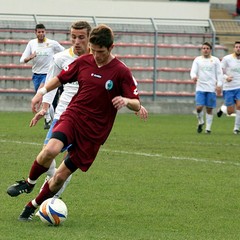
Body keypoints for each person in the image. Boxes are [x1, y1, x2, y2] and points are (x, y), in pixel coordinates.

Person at [7, 24, 148, 221]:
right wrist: (40, 94)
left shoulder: (121, 71)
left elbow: (136, 102)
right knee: (50, 150)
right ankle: (29, 183)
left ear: (111, 48)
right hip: (73, 116)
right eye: (93, 50)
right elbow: (59, 79)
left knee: (59, 179)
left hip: (94, 133)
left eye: (101, 51)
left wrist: (126, 101)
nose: (96, 56)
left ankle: (33, 206)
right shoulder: (83, 62)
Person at [7, 21, 92, 199]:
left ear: (89, 38)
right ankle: (43, 188)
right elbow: (52, 83)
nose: (77, 41)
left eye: (81, 37)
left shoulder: (98, 60)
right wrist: (45, 108)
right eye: (73, 37)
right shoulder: (61, 58)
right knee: (47, 154)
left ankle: (49, 199)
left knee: (68, 165)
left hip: (85, 120)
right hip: (62, 114)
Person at [20, 23, 65, 129]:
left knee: (44, 96)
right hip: (36, 75)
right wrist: (30, 57)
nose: (41, 34)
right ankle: (50, 120)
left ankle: (49, 120)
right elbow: (22, 60)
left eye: (43, 32)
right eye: (39, 32)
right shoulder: (32, 43)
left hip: (49, 75)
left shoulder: (52, 43)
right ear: (35, 33)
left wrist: (56, 60)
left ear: (45, 32)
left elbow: (63, 52)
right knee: (44, 99)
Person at [190, 42, 223, 134]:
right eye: (204, 48)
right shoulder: (197, 60)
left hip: (211, 88)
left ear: (210, 50)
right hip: (200, 87)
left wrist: (219, 85)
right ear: (201, 50)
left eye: (207, 48)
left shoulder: (215, 60)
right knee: (199, 108)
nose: (205, 50)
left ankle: (208, 129)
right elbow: (193, 71)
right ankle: (201, 121)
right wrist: (193, 77)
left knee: (209, 109)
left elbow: (219, 73)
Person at [220, 41, 240, 134]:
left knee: (239, 106)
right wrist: (226, 77)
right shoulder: (227, 59)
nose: (238, 48)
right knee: (230, 112)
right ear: (234, 48)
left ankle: (236, 128)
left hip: (239, 87)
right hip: (228, 88)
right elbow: (220, 71)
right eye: (237, 47)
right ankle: (223, 109)